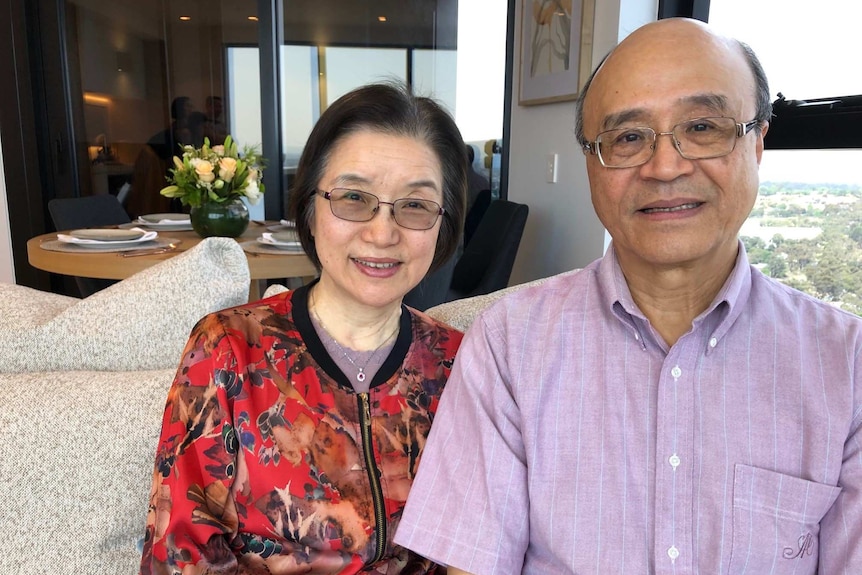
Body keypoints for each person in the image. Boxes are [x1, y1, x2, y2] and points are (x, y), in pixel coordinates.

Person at [394, 18, 862, 574]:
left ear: (758, 142)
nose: (665, 166)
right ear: (591, 163)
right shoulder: (507, 344)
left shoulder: (847, 365)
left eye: (704, 126)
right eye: (628, 137)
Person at [139, 82, 467, 574]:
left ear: (444, 224)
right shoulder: (229, 348)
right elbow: (180, 554)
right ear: (311, 209)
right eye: (353, 197)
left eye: (415, 205)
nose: (383, 233)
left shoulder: (459, 362)